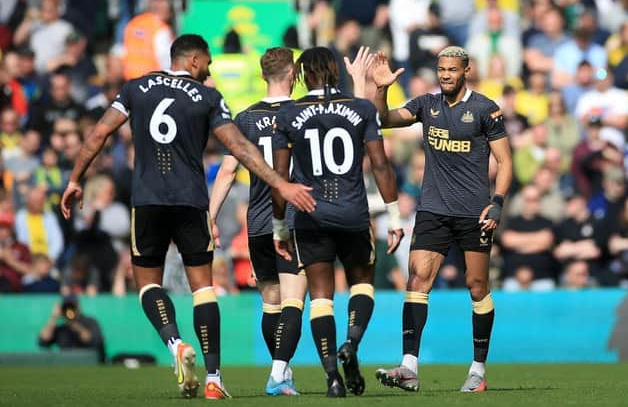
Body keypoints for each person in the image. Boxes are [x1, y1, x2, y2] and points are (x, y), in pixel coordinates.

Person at [59, 34, 315, 400]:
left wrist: (74, 179)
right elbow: (239, 147)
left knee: (148, 283)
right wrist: (280, 183)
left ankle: (174, 342)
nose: (209, 71)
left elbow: (99, 133)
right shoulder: (208, 97)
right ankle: (213, 377)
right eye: (207, 63)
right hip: (191, 202)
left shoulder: (136, 87)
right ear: (194, 60)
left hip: (147, 201)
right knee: (204, 289)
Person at [351, 46, 512, 392]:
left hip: (474, 212)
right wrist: (380, 89)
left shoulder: (486, 109)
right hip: (433, 210)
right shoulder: (427, 105)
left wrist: (497, 202)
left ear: (466, 70)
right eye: (441, 69)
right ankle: (409, 367)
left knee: (477, 286)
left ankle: (478, 370)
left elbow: (505, 162)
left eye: (452, 70)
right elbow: (384, 120)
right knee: (416, 281)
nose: (445, 75)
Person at [272, 46, 404, 397]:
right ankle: (351, 342)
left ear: (301, 74)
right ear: (333, 70)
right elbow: (380, 165)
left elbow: (280, 176)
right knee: (362, 284)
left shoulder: (287, 113)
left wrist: (279, 227)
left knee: (320, 298)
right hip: (353, 215)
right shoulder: (359, 108)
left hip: (310, 217)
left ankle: (332, 378)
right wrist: (393, 216)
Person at [209, 47, 307, 396]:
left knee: (271, 302)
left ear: (263, 76)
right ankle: (279, 372)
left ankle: (282, 371)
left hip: (259, 221)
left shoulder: (245, 118)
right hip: (295, 220)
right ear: (293, 74)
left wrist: (211, 216)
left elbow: (227, 171)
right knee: (295, 299)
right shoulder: (303, 114)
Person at [38, 294, 105, 363]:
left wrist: (77, 327)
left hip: (88, 363)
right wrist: (53, 317)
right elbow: (43, 341)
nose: (69, 310)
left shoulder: (90, 322)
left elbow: (96, 342)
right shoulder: (61, 328)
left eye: (72, 307)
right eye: (66, 307)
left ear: (78, 307)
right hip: (66, 365)